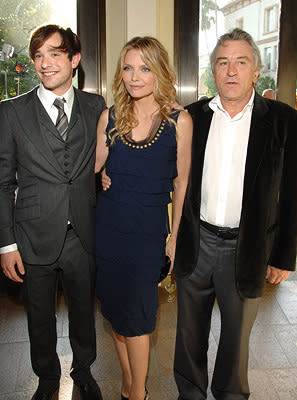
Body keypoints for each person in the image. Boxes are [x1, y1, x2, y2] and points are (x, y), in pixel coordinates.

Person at [173, 28, 297, 400]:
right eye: (222, 62)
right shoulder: (192, 117)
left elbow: (292, 194)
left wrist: (284, 257)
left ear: (256, 71)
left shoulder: (283, 121)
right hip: (197, 242)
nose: (231, 71)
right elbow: (166, 172)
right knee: (188, 334)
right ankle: (190, 394)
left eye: (241, 62)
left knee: (236, 339)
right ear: (213, 70)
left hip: (249, 248)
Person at [0, 25, 106, 400]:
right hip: (31, 233)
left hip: (83, 230)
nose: (44, 64)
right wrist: (6, 244)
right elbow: (1, 182)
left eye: (55, 54)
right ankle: (46, 378)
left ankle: (83, 370)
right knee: (39, 315)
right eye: (38, 56)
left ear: (74, 60)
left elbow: (120, 145)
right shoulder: (11, 112)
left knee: (83, 311)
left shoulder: (96, 108)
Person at [94, 37, 192, 400]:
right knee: (118, 319)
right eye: (128, 68)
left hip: (148, 235)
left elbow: (181, 184)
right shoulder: (110, 116)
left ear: (160, 71)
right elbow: (93, 167)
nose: (135, 77)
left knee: (137, 320)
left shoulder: (179, 120)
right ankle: (128, 384)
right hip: (109, 231)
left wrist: (175, 237)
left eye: (145, 68)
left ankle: (140, 394)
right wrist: (99, 176)